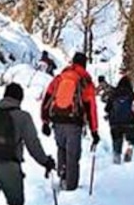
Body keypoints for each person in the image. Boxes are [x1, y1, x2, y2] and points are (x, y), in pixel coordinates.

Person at [40, 51, 100, 191]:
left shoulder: (60, 78)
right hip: (74, 122)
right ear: (84, 64)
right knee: (72, 156)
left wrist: (45, 121)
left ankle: (62, 177)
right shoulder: (85, 80)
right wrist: (94, 131)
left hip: (57, 121)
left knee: (61, 149)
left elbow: (47, 98)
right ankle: (71, 188)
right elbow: (90, 107)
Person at [104, 74, 134, 165]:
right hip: (129, 123)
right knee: (132, 139)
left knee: (117, 139)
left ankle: (117, 157)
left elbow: (107, 108)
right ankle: (129, 148)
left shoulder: (114, 94)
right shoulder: (131, 94)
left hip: (115, 123)